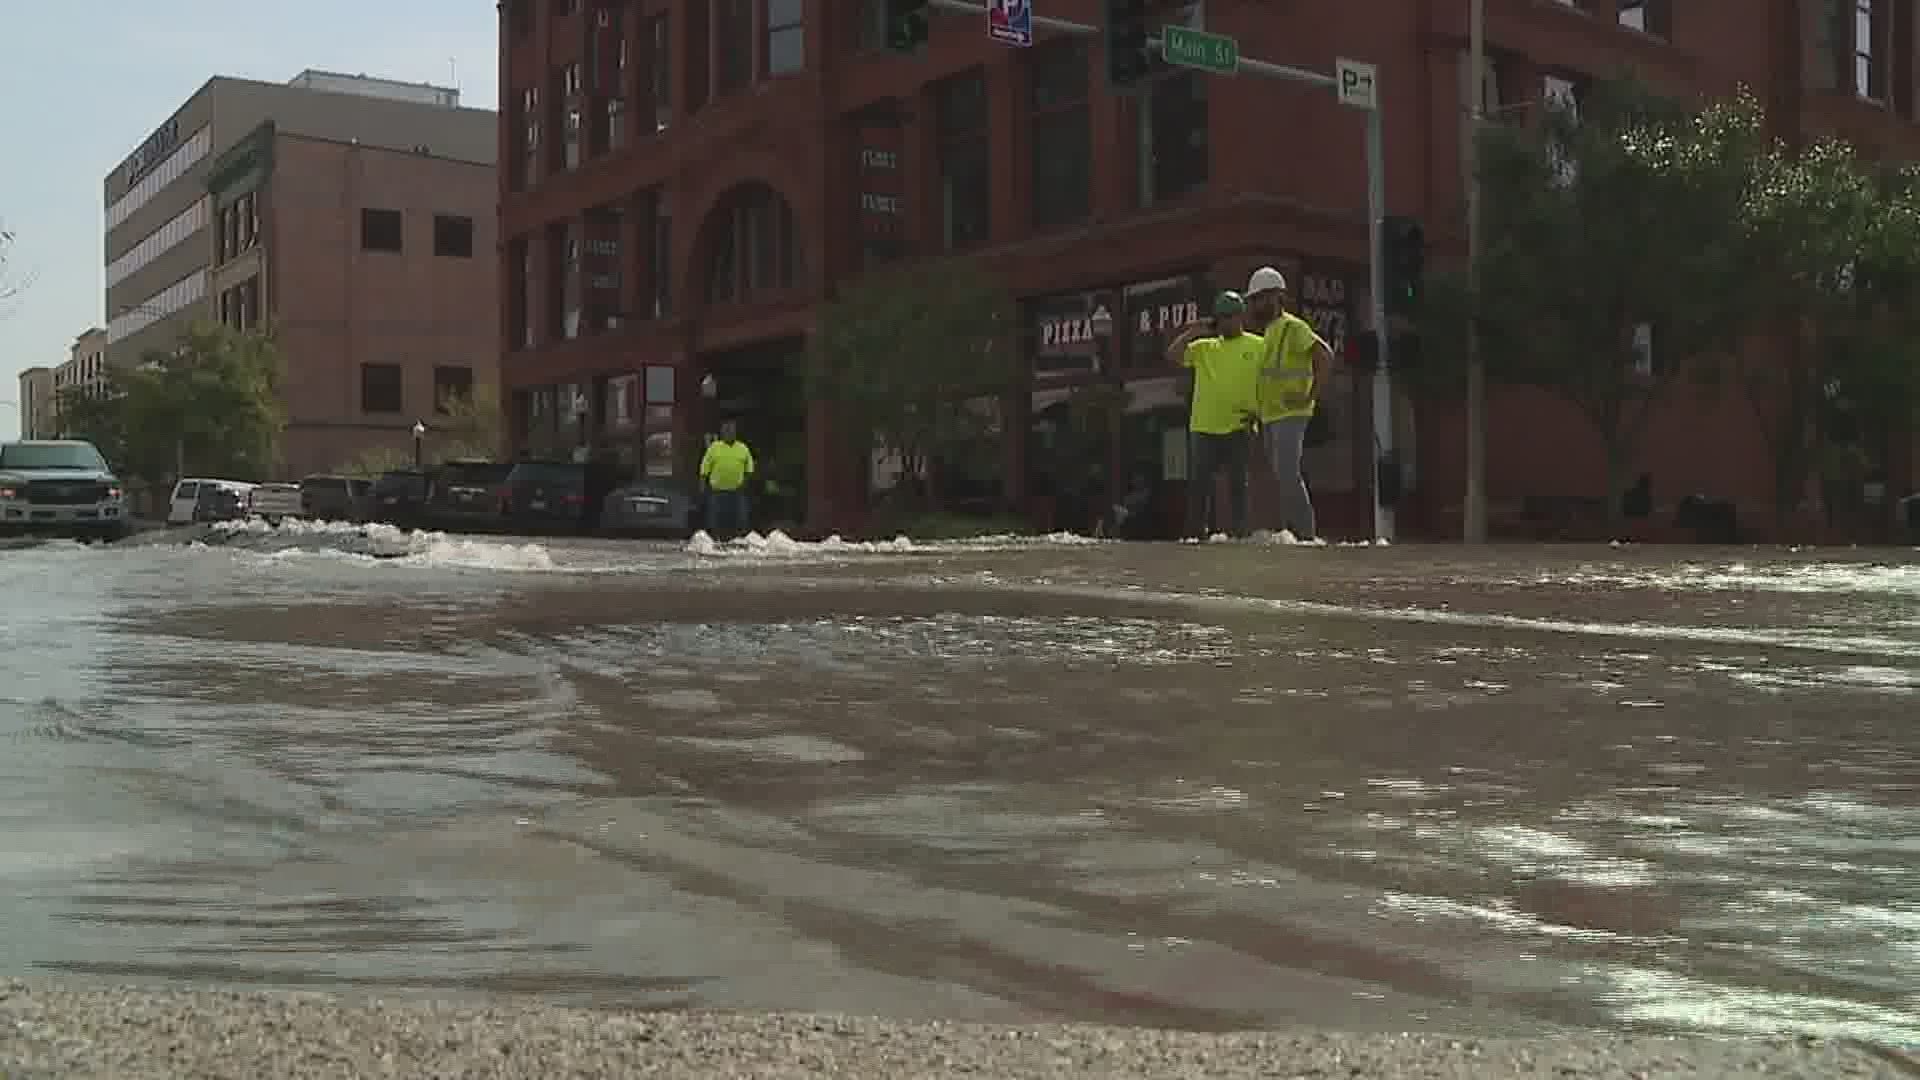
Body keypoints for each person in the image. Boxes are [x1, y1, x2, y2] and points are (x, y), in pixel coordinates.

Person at [1165, 291, 1265, 539]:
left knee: (1238, 486)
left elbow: (1269, 384)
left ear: (1241, 316)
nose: (1227, 322)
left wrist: (1260, 413)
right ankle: (1195, 535)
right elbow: (1172, 355)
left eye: (1231, 316)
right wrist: (1194, 331)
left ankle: (1240, 536)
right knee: (1199, 486)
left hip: (1239, 426)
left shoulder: (1259, 345)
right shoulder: (1204, 348)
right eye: (1222, 317)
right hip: (1204, 427)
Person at [1246, 266, 1334, 541]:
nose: (1258, 304)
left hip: (1291, 413)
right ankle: (1291, 534)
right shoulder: (1269, 333)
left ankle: (1307, 536)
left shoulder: (1293, 327)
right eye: (1255, 299)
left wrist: (1309, 395)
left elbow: (1325, 356)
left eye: (1263, 297)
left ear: (1278, 297)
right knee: (1280, 479)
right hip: (1271, 417)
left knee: (1287, 474)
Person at [699, 420, 755, 537]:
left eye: (731, 431)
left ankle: (739, 540)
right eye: (726, 430)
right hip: (717, 492)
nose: (729, 433)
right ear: (722, 432)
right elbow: (704, 467)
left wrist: (745, 484)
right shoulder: (714, 448)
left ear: (735, 433)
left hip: (737, 491)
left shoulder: (742, 448)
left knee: (741, 519)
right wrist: (702, 485)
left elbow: (749, 468)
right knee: (715, 520)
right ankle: (716, 540)